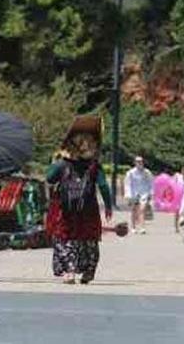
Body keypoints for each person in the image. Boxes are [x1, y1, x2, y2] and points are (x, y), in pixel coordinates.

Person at [46, 120, 112, 285]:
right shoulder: (94, 166)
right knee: (89, 238)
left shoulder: (62, 164)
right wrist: (109, 206)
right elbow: (103, 186)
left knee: (65, 237)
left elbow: (49, 178)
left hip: (65, 208)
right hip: (88, 207)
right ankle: (88, 270)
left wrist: (56, 161)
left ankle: (69, 271)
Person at [124, 156, 153, 234]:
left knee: (142, 210)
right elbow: (127, 184)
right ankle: (133, 227)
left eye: (141, 161)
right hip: (134, 193)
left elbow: (151, 183)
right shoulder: (130, 173)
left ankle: (142, 227)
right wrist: (128, 195)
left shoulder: (147, 172)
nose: (139, 163)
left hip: (144, 193)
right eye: (137, 161)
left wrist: (151, 193)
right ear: (135, 163)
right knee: (134, 210)